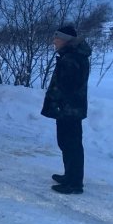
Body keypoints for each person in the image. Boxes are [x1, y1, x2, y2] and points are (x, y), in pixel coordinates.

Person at [41, 25, 91, 195]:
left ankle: (74, 183)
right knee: (67, 143)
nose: (54, 41)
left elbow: (67, 87)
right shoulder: (72, 56)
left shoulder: (71, 59)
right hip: (69, 109)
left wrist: (57, 101)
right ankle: (70, 176)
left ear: (65, 40)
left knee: (71, 144)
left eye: (57, 38)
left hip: (69, 110)